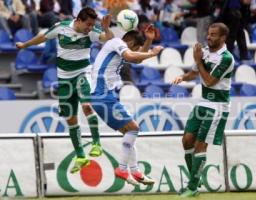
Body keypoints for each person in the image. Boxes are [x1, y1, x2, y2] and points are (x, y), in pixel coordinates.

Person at [16, 7, 114, 174]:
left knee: (87, 106)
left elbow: (109, 40)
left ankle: (96, 143)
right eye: (88, 24)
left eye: (92, 25)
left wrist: (106, 28)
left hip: (83, 73)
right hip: (64, 78)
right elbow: (42, 37)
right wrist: (25, 44)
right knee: (71, 119)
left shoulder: (91, 32)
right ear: (79, 20)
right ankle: (81, 156)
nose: (90, 28)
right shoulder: (61, 27)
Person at [90, 25, 163, 186]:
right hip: (103, 96)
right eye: (136, 46)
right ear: (129, 42)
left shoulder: (119, 49)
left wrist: (149, 40)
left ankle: (135, 171)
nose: (137, 50)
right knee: (133, 128)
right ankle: (123, 168)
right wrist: (152, 52)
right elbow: (131, 56)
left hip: (102, 96)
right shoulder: (116, 42)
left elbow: (136, 58)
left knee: (128, 132)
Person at [172, 22, 234, 197]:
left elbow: (209, 81)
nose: (208, 37)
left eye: (213, 34)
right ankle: (195, 180)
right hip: (203, 103)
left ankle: (192, 187)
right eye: (209, 33)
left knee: (200, 145)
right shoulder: (205, 51)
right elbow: (194, 73)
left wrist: (198, 60)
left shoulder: (226, 58)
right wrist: (182, 77)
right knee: (186, 140)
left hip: (217, 107)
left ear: (223, 38)